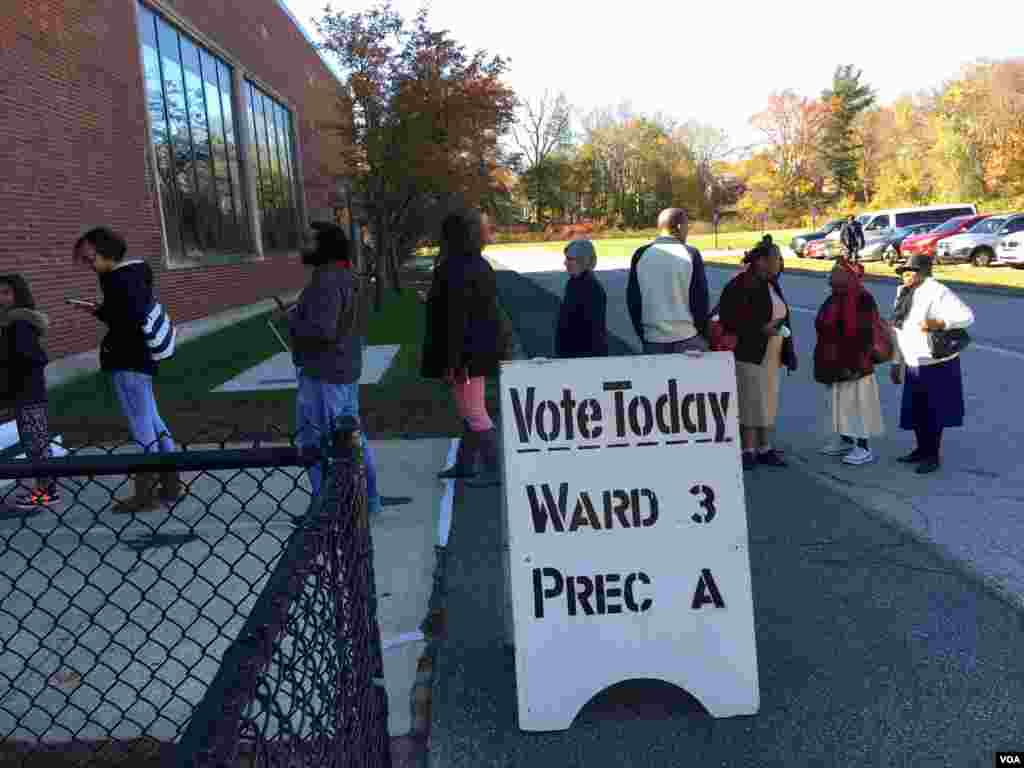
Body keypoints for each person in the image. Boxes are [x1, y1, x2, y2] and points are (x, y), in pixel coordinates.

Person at [72, 227, 181, 513]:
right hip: (140, 360)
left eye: (90, 258)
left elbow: (127, 320)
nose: (89, 264)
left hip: (129, 362)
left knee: (141, 424)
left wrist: (106, 312)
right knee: (153, 420)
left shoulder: (119, 279)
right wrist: (98, 309)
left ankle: (145, 495)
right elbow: (127, 314)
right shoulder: (134, 274)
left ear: (106, 251)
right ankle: (171, 485)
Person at [284, 221, 381, 515]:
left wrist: (292, 321)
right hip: (344, 370)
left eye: (308, 241)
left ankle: (329, 507)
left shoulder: (325, 280)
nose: (303, 247)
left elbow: (323, 331)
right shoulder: (348, 276)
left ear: (323, 246)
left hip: (323, 375)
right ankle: (369, 500)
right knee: (351, 438)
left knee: (318, 442)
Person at [422, 209, 503, 486]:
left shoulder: (452, 269)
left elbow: (456, 321)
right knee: (470, 410)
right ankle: (466, 464)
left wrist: (454, 363)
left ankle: (496, 471)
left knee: (475, 414)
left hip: (464, 355)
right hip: (478, 351)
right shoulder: (479, 265)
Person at [889, 254, 974, 474]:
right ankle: (920, 449)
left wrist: (940, 322)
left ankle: (932, 455)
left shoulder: (937, 291)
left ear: (924, 272)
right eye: (903, 272)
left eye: (910, 271)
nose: (905, 275)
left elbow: (967, 316)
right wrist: (896, 362)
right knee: (916, 411)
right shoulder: (902, 292)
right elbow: (897, 330)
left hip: (936, 363)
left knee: (933, 412)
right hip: (913, 361)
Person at [718, 235, 797, 471]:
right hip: (750, 351)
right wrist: (761, 328)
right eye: (776, 258)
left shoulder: (770, 282)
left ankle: (765, 447)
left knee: (767, 400)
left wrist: (788, 351)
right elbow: (729, 318)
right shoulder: (741, 283)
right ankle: (748, 450)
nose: (780, 263)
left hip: (771, 352)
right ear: (761, 261)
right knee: (750, 400)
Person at [813, 263, 885, 465]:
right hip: (835, 359)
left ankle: (863, 447)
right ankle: (845, 439)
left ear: (848, 276)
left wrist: (856, 365)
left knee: (858, 405)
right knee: (840, 403)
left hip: (856, 363)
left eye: (836, 271)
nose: (831, 274)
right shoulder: (835, 296)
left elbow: (865, 335)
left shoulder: (862, 298)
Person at [0, 275, 57, 508]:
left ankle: (47, 491)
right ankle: (45, 488)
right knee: (34, 441)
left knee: (36, 443)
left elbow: (34, 358)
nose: (1, 298)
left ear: (19, 295)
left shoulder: (19, 323)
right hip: (20, 392)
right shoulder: (8, 322)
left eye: (6, 293)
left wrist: (9, 365)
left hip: (29, 393)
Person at [627, 208, 710, 353]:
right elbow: (700, 300)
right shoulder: (691, 254)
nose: (687, 231)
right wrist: (703, 334)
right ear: (679, 227)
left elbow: (633, 300)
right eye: (687, 226)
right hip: (687, 337)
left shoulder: (640, 254)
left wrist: (643, 334)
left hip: (652, 339)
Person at [554, 239, 608, 359]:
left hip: (583, 357)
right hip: (572, 355)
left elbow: (592, 334)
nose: (565, 263)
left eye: (570, 259)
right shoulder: (574, 283)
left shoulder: (590, 288)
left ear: (583, 261)